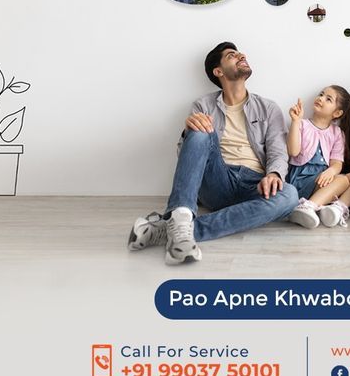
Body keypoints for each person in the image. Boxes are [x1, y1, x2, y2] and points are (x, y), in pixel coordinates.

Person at [127, 42, 298, 264]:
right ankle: (180, 214)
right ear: (218, 72)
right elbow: (189, 157)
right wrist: (188, 132)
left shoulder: (268, 107)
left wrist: (274, 174)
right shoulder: (203, 105)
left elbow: (278, 150)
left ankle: (174, 229)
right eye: (231, 55)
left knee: (289, 195)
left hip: (254, 184)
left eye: (240, 53)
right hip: (217, 180)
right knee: (198, 130)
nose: (241, 55)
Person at [286, 86, 350, 228]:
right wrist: (295, 121)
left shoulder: (337, 133)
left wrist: (330, 172)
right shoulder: (302, 124)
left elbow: (337, 163)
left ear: (337, 113)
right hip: (300, 179)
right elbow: (293, 151)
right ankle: (307, 207)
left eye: (328, 99)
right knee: (343, 180)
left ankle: (336, 209)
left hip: (321, 180)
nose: (321, 98)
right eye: (321, 94)